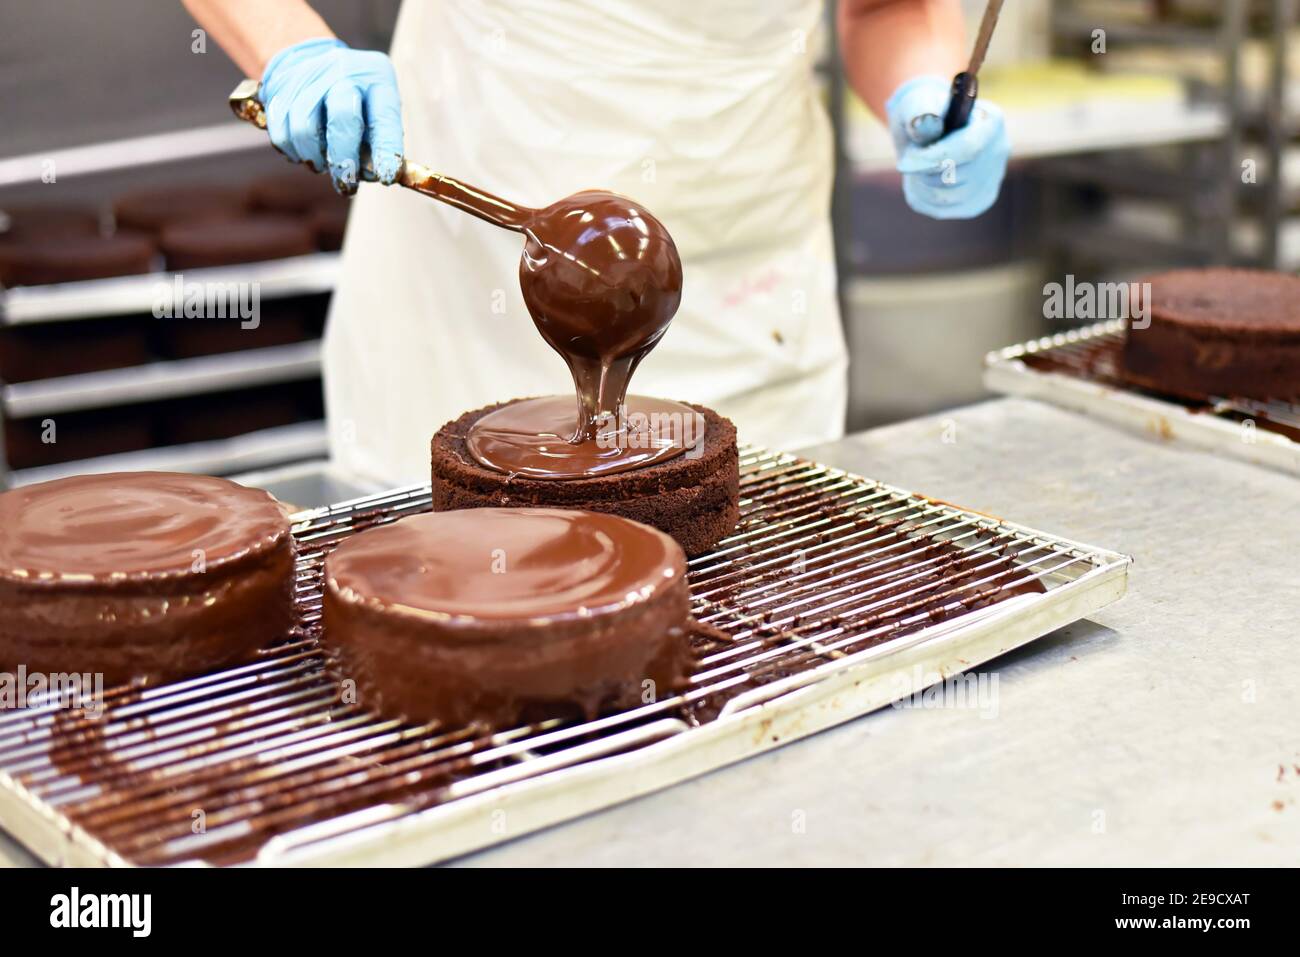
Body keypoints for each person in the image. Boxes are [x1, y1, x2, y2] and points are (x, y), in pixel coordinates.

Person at [184, 0, 1009, 484]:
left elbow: (887, 7)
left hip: (749, 281)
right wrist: (291, 46)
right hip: (464, 264)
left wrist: (924, 92)